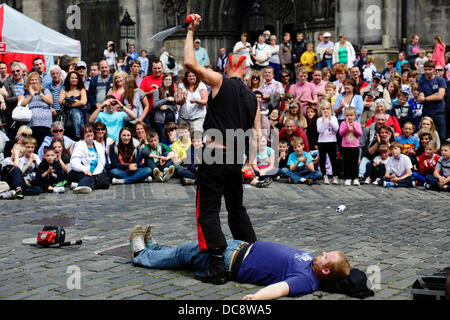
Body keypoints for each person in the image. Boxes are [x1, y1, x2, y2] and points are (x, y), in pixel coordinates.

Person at [184, 14, 261, 285]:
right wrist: (250, 164)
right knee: (236, 207)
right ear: (245, 70)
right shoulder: (254, 98)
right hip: (235, 160)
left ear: (228, 67)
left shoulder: (219, 82)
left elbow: (189, 63)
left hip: (214, 155)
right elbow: (258, 135)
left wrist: (191, 31)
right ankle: (252, 253)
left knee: (207, 210)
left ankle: (216, 266)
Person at [129, 225, 351, 300]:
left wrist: (256, 297)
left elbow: (280, 289)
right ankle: (154, 250)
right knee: (186, 252)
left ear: (325, 269)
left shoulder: (307, 280)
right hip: (240, 247)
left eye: (327, 256)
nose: (323, 252)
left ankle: (141, 255)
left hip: (231, 259)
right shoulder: (313, 265)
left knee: (184, 254)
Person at [68, 124, 109, 194]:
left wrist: (94, 173)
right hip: (80, 172)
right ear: (83, 135)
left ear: (93, 133)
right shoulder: (79, 145)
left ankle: (78, 184)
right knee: (91, 178)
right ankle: (81, 186)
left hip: (95, 173)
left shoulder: (98, 145)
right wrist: (85, 170)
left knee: (105, 184)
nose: (89, 134)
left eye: (90, 132)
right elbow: (74, 162)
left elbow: (102, 162)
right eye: (86, 132)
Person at [18, 72, 53, 147]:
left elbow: (50, 102)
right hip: (30, 124)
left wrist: (40, 93)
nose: (34, 81)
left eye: (36, 79)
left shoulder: (45, 90)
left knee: (45, 145)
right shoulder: (24, 91)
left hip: (45, 124)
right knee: (31, 145)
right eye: (32, 80)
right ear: (28, 81)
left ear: (39, 81)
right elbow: (22, 104)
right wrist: (31, 95)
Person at [418, 61, 447, 143]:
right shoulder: (421, 82)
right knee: (426, 136)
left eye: (429, 69)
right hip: (427, 113)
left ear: (434, 70)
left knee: (442, 136)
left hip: (439, 112)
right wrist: (435, 95)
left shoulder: (440, 80)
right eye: (425, 69)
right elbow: (420, 98)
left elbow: (440, 96)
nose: (427, 71)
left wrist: (426, 99)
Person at [59, 71, 88, 140]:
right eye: (72, 78)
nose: (74, 79)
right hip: (67, 118)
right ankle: (77, 134)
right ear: (68, 79)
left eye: (76, 78)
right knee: (74, 110)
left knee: (75, 110)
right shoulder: (64, 90)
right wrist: (77, 102)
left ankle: (78, 134)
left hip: (81, 118)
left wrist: (70, 103)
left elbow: (83, 102)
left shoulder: (82, 90)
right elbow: (61, 101)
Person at [317, 101, 339, 185]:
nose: (325, 111)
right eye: (323, 109)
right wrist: (325, 120)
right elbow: (320, 130)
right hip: (322, 142)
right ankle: (324, 175)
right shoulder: (319, 120)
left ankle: (335, 176)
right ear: (320, 111)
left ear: (331, 110)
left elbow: (336, 128)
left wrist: (329, 119)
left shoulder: (334, 118)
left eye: (327, 109)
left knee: (333, 159)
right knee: (322, 160)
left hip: (332, 141)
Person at [339, 107, 363, 186]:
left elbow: (360, 134)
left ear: (355, 116)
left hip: (355, 146)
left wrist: (354, 128)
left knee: (354, 163)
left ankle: (355, 178)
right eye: (347, 115)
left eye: (351, 115)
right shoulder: (343, 124)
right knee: (347, 163)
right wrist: (347, 128)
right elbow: (341, 133)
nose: (349, 117)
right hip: (345, 147)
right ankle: (347, 178)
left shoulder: (357, 124)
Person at [152, 74, 178, 139]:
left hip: (171, 120)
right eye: (166, 79)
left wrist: (167, 107)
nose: (168, 81)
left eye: (169, 80)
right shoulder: (157, 91)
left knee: (171, 139)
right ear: (163, 81)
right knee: (163, 139)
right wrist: (167, 99)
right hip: (160, 120)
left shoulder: (173, 92)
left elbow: (175, 107)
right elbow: (155, 105)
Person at [140, 60, 164, 126]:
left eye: (159, 68)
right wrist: (148, 93)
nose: (157, 70)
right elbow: (139, 94)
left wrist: (159, 92)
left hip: (162, 113)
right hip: (148, 113)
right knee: (149, 134)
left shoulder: (167, 79)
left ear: (162, 68)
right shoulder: (146, 79)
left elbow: (172, 94)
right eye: (155, 68)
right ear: (152, 69)